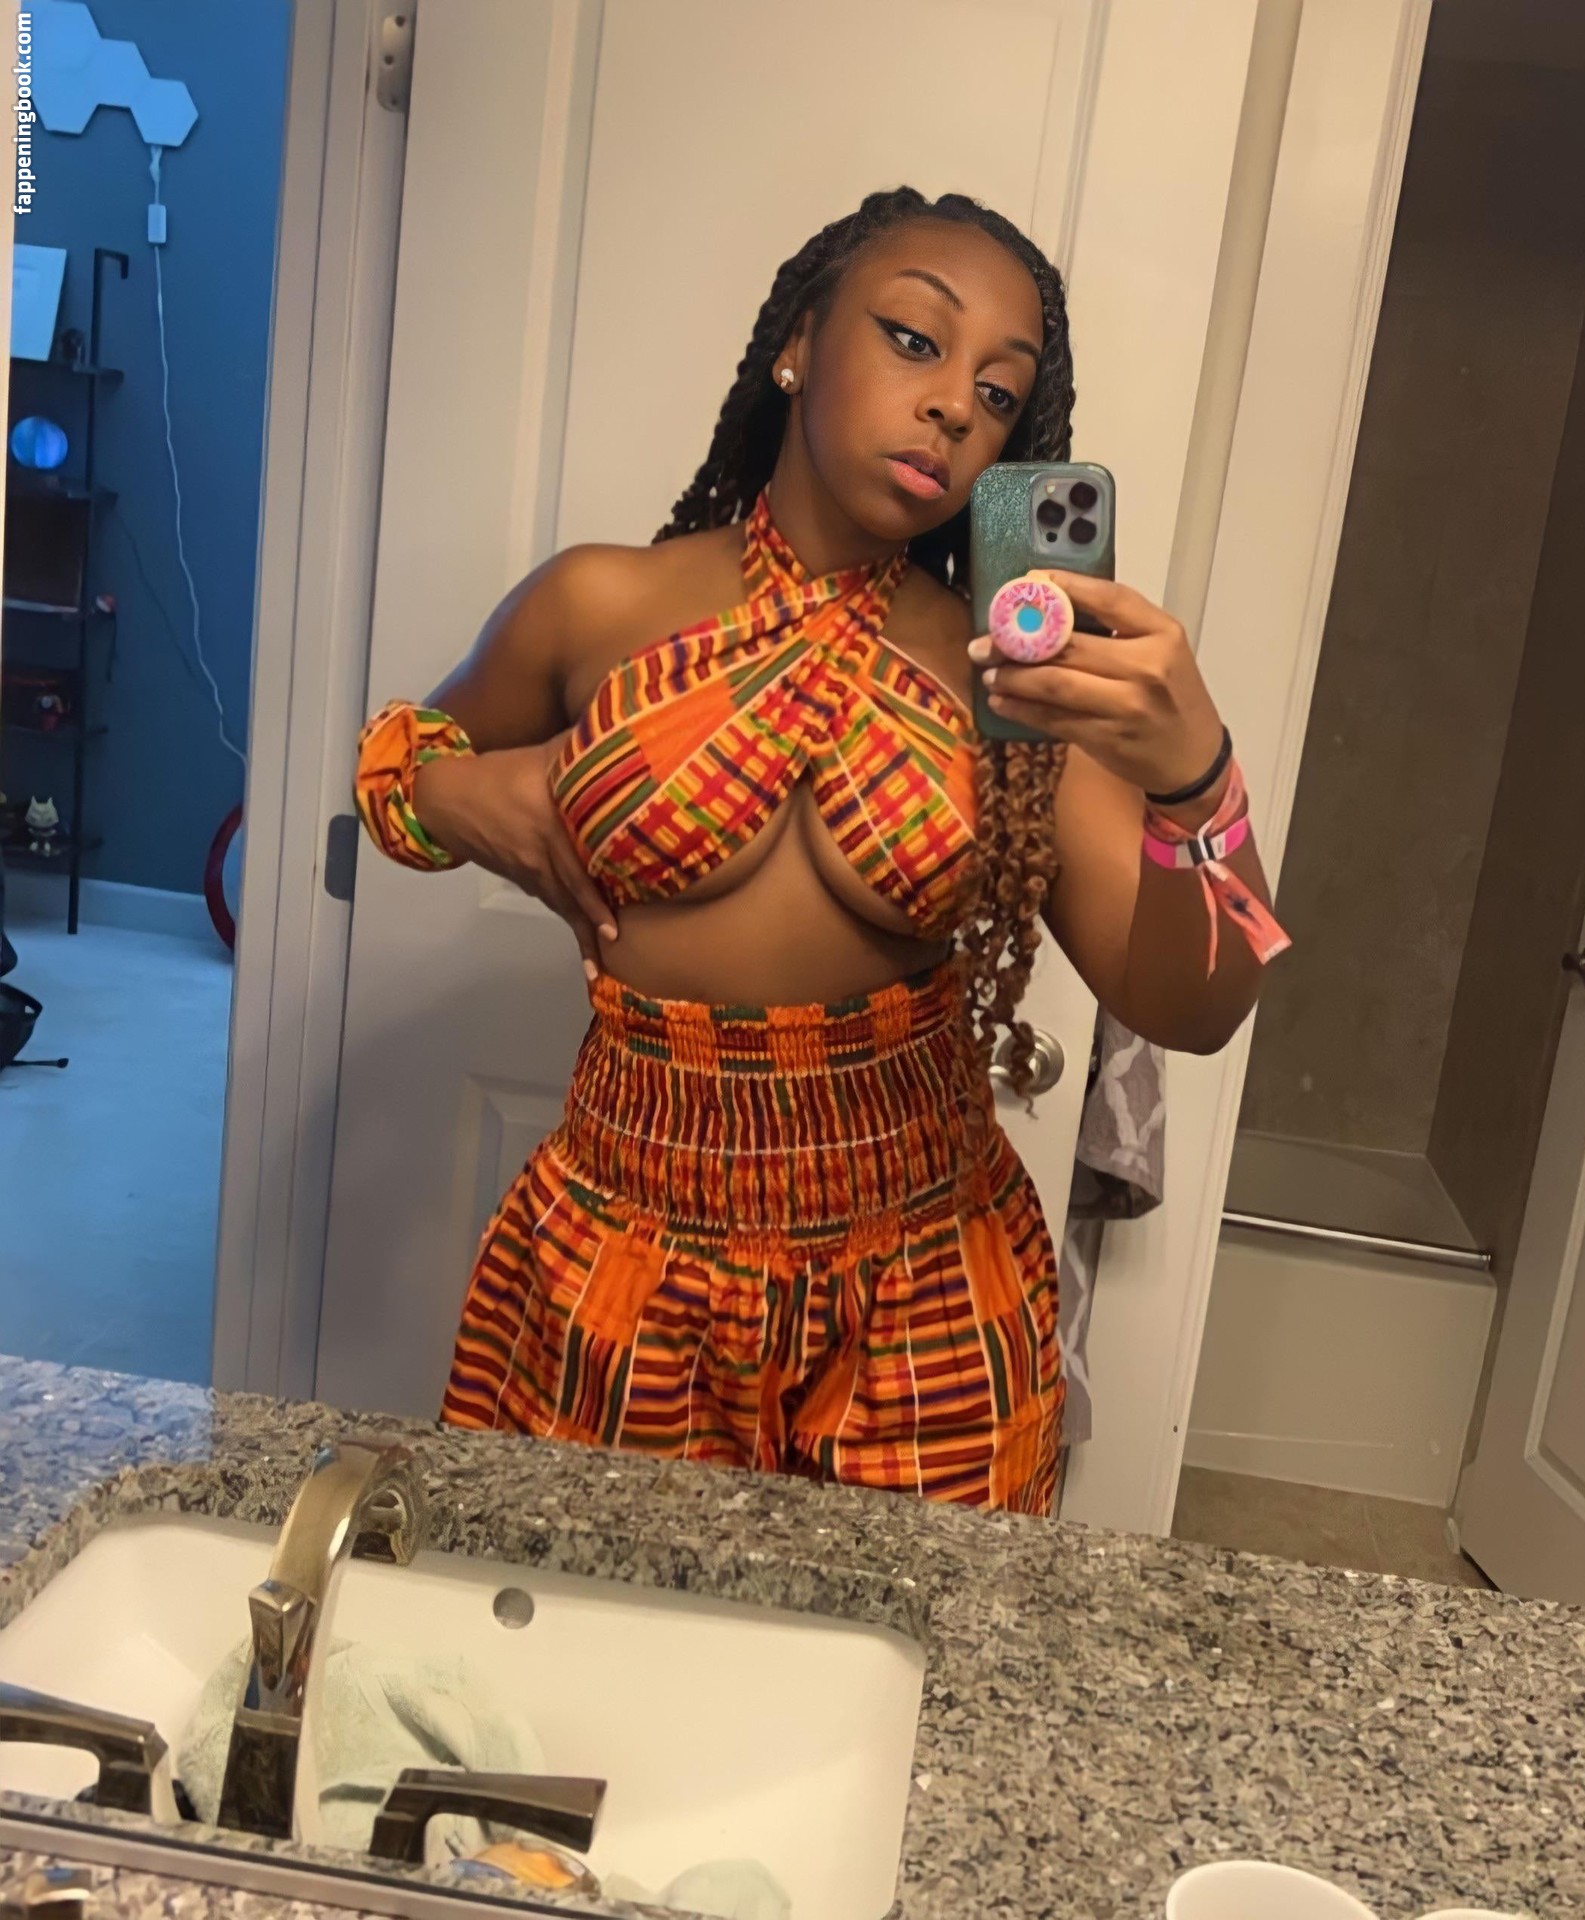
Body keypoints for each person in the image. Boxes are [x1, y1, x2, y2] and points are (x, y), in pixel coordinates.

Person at [355, 187, 1284, 1516]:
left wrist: (1198, 774)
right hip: (625, 1257)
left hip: (924, 1285)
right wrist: (453, 794)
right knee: (584, 1620)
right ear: (798, 342)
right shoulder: (597, 603)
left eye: (1000, 394)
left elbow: (1196, 1007)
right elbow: (396, 773)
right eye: (915, 339)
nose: (955, 406)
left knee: (907, 1640)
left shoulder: (1008, 682)